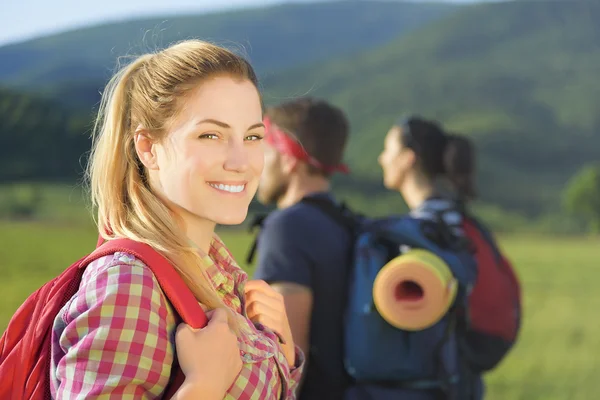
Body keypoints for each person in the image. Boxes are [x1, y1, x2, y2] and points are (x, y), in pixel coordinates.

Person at [50, 39, 304, 399]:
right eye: (210, 135)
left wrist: (283, 353)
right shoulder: (129, 285)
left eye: (252, 136)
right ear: (148, 148)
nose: (240, 161)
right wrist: (203, 387)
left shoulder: (220, 275)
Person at [251, 97, 353, 400]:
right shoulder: (347, 223)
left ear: (288, 158)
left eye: (264, 147)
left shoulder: (287, 228)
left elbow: (286, 356)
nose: (257, 162)